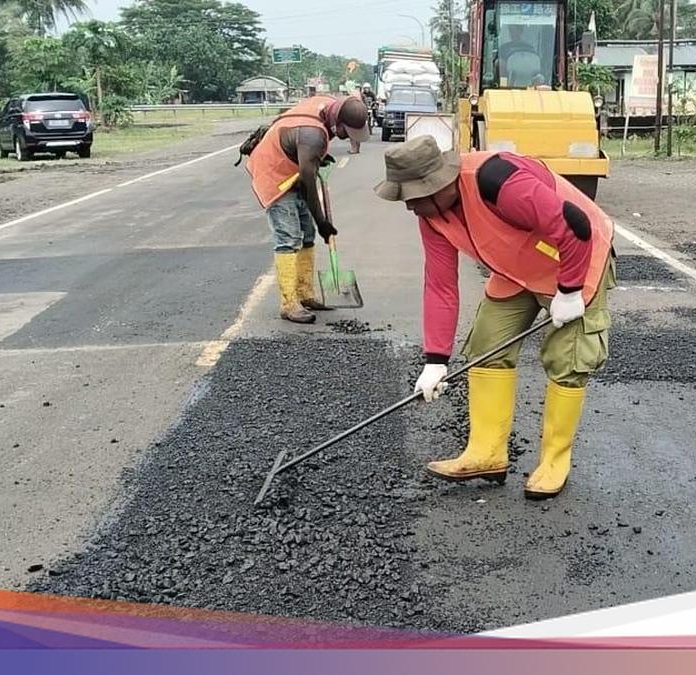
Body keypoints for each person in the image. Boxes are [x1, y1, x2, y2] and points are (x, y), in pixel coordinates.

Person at [376, 137, 615, 500]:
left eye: (414, 196)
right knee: (487, 345)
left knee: (569, 359)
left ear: (439, 184)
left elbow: (576, 226)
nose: (409, 207)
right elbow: (440, 285)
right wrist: (435, 360)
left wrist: (568, 291)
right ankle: (486, 453)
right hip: (517, 268)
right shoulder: (432, 216)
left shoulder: (499, 182)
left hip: (575, 258)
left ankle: (554, 462)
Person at [244, 95, 370, 323]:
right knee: (289, 237)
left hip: (294, 167)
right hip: (274, 173)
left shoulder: (327, 104)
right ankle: (289, 303)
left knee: (307, 235)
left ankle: (305, 294)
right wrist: (323, 223)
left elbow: (304, 160)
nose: (346, 137)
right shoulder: (312, 136)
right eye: (346, 132)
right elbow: (308, 182)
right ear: (336, 123)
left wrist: (312, 158)